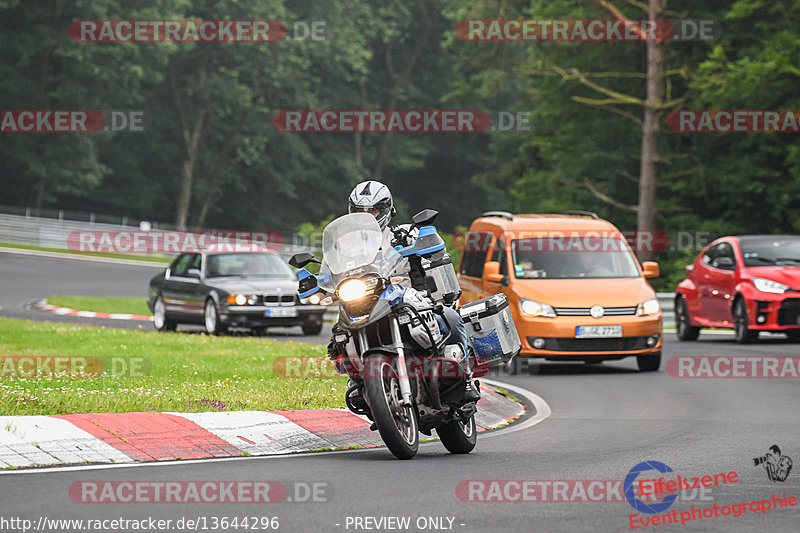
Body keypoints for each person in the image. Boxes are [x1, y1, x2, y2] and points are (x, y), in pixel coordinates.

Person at [331, 179, 480, 405]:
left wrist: (428, 243)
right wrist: (316, 281)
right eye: (361, 211)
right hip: (367, 300)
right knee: (339, 335)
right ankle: (360, 381)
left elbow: (433, 248)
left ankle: (466, 377)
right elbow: (331, 271)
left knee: (450, 317)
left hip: (410, 296)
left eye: (373, 210)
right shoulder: (346, 245)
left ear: (386, 210)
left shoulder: (403, 233)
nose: (367, 216)